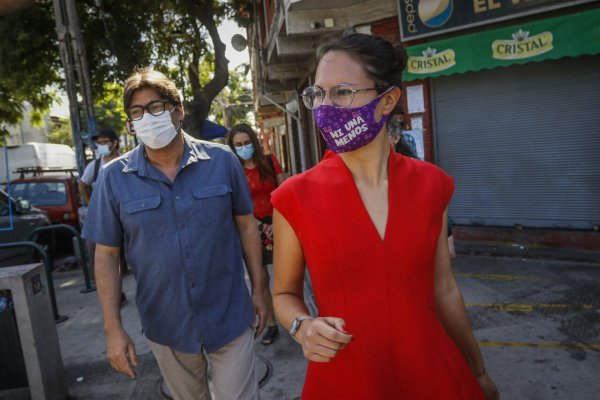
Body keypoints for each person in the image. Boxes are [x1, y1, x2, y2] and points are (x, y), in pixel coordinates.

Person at [271, 34, 499, 399]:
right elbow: (284, 293)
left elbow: (444, 290)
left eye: (342, 92)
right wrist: (302, 326)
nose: (325, 107)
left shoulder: (431, 185)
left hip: (433, 373)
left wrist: (478, 370)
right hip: (347, 378)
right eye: (318, 94)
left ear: (388, 100)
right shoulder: (294, 197)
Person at [81, 68, 267, 400]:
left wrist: (260, 289)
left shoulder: (222, 161)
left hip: (230, 314)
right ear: (131, 123)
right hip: (167, 324)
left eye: (155, 107)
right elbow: (106, 255)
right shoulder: (113, 178)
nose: (147, 118)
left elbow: (246, 226)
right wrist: (113, 329)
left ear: (177, 111)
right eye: (137, 112)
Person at [227, 123, 286, 346]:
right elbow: (234, 206)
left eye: (247, 142)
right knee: (260, 280)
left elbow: (284, 193)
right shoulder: (233, 171)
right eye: (238, 145)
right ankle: (272, 325)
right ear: (232, 148)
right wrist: (259, 225)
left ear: (254, 141)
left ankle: (297, 317)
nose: (244, 148)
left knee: (287, 275)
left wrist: (276, 222)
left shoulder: (270, 162)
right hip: (251, 229)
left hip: (279, 225)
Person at [78, 128, 128, 305]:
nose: (101, 146)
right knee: (105, 255)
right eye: (98, 143)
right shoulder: (95, 166)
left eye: (105, 141)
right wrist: (93, 205)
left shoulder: (128, 161)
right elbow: (82, 186)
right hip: (105, 218)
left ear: (115, 143)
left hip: (127, 214)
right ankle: (115, 294)